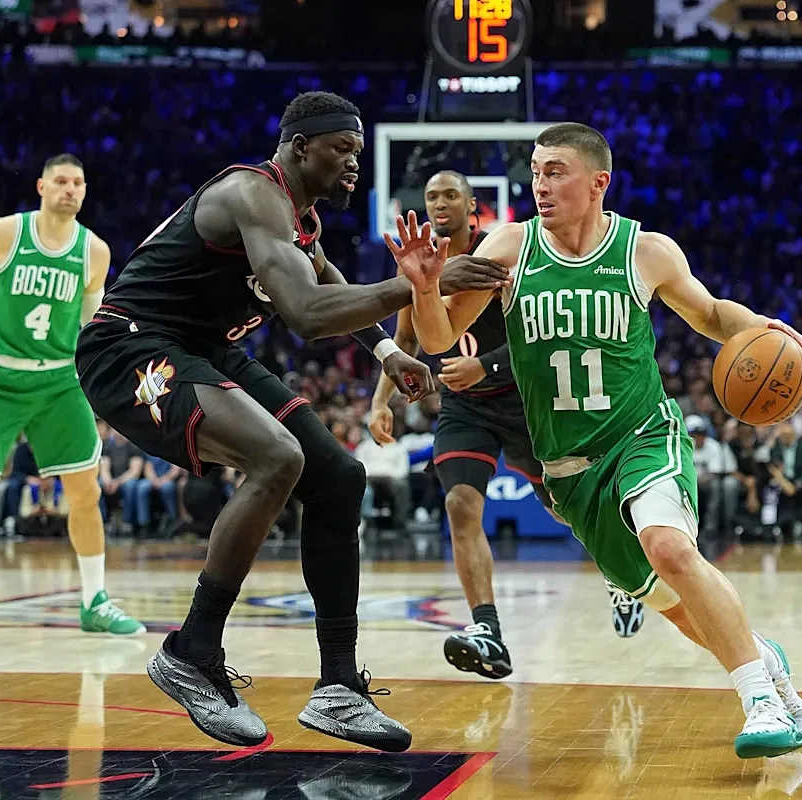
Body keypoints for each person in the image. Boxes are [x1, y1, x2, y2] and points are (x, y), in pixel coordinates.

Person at [74, 91, 509, 749]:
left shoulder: (302, 221)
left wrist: (388, 353)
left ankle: (339, 688)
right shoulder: (253, 194)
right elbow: (306, 314)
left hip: (202, 349)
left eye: (359, 151)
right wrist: (423, 285)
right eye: (343, 149)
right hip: (129, 347)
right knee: (277, 456)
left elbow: (329, 283)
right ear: (302, 148)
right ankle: (192, 651)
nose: (355, 163)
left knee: (339, 477)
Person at [387, 122, 802, 758]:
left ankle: (759, 700)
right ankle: (762, 658)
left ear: (598, 182)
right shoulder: (508, 249)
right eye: (536, 172)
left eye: (555, 171)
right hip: (569, 471)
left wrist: (767, 327)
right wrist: (426, 287)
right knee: (672, 603)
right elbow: (439, 338)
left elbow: (709, 313)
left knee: (670, 548)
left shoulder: (646, 251)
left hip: (642, 434)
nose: (540, 184)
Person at [369, 170, 644, 681]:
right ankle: (486, 629)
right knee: (459, 504)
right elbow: (405, 341)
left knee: (565, 509)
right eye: (432, 196)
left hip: (526, 399)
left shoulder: (499, 254)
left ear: (472, 205)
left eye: (451, 195)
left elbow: (544, 333)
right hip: (465, 408)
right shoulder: (421, 262)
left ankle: (620, 572)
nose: (440, 203)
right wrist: (380, 401)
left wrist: (485, 364)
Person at [0, 154, 144, 635]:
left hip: (59, 382)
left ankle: (95, 602)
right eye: (61, 181)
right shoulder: (4, 233)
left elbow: (91, 325)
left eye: (78, 183)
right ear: (41, 187)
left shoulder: (95, 251)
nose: (70, 189)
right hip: (1, 379)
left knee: (85, 491)